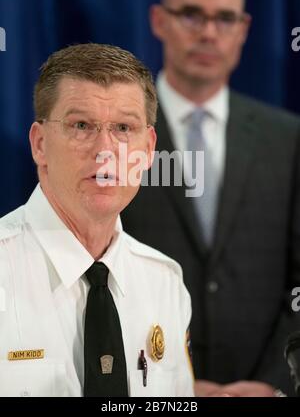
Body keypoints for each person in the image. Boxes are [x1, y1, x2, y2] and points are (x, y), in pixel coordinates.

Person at [121, 0, 300, 396]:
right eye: (192, 15)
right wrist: (167, 383)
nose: (208, 33)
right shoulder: (114, 135)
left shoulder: (289, 138)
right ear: (159, 21)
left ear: (243, 29)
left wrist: (273, 385)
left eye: (224, 19)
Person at [0, 43, 194, 397]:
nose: (105, 149)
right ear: (39, 144)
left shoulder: (165, 282)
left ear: (148, 150)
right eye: (82, 125)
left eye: (123, 127)